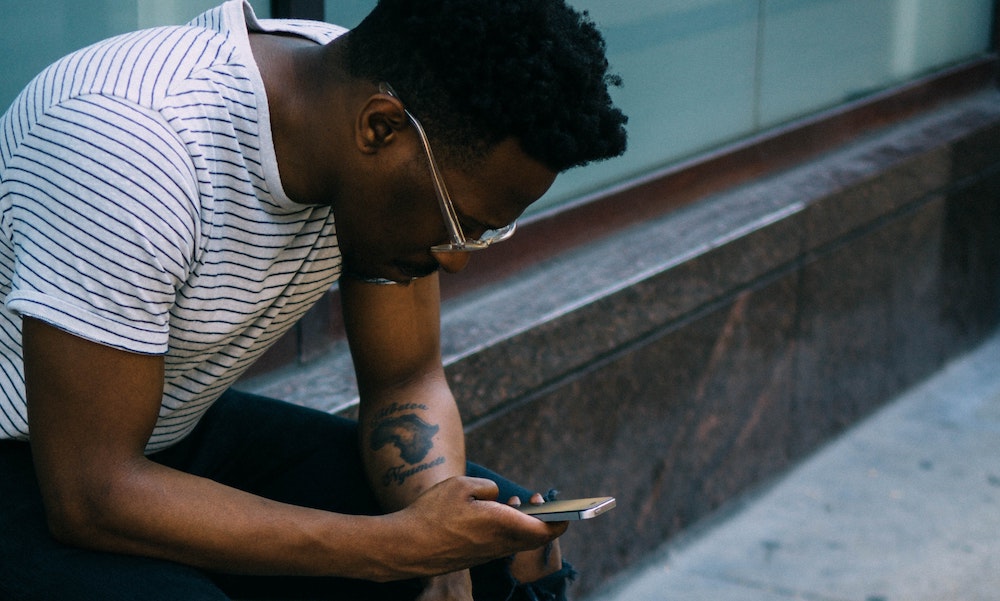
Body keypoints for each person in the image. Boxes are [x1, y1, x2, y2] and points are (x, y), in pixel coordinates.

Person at [0, 0, 628, 599]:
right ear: (379, 129)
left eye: (484, 232)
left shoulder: (375, 110)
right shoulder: (131, 146)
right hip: (45, 463)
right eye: (458, 221)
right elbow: (91, 494)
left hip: (163, 430)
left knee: (508, 560)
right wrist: (392, 549)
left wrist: (444, 559)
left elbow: (405, 379)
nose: (456, 257)